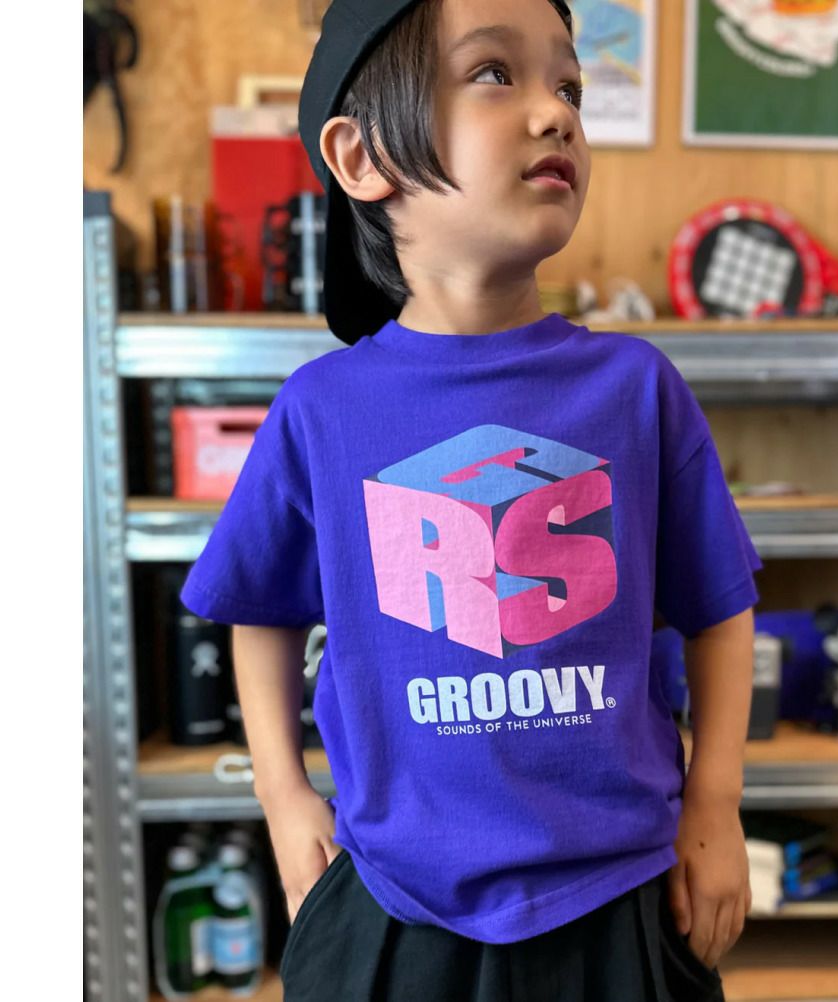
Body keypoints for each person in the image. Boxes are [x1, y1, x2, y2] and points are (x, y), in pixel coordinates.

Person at [179, 1, 763, 999]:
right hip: (394, 904)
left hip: (622, 899)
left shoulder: (634, 389)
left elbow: (720, 608)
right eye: (495, 73)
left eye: (569, 85)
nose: (556, 112)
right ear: (362, 157)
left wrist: (715, 803)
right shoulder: (323, 408)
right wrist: (283, 797)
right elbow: (257, 609)